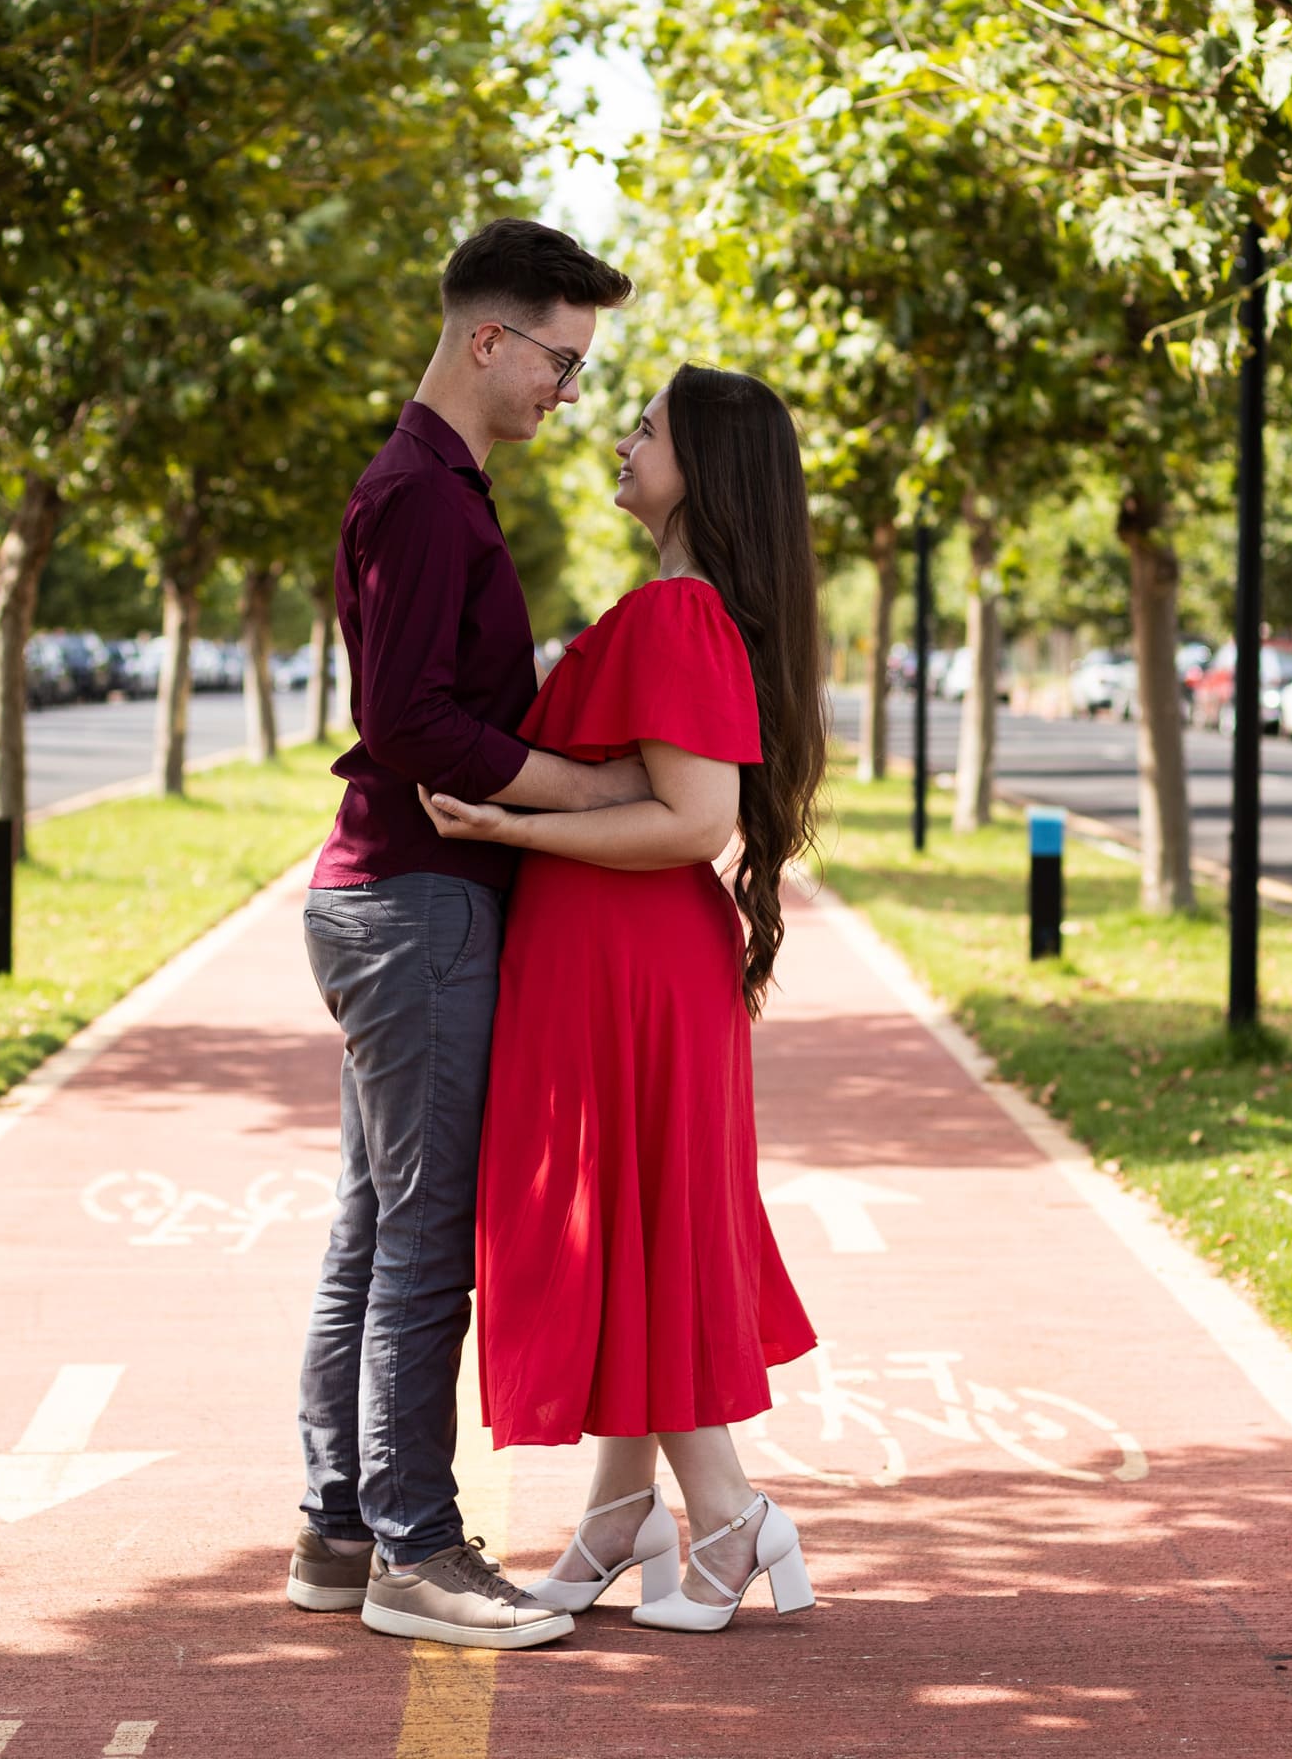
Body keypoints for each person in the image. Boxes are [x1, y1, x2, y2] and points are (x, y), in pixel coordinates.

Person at [421, 363, 829, 1634]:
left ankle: (729, 1515)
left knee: (628, 1219)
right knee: (630, 1223)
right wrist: (508, 807)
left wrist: (510, 827)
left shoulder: (675, 613)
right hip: (623, 955)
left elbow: (692, 818)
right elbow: (634, 787)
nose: (620, 433)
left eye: (644, 424)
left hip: (626, 959)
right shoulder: (682, 609)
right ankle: (620, 1514)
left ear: (700, 467)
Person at [286, 219, 638, 1652]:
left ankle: (340, 1528)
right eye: (561, 360)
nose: (570, 392)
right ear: (490, 339)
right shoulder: (427, 500)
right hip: (417, 898)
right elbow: (415, 727)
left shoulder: (430, 486)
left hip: (392, 895)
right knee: (426, 1239)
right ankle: (415, 1553)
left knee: (375, 1229)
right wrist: (593, 789)